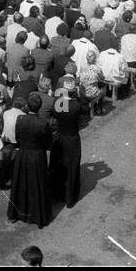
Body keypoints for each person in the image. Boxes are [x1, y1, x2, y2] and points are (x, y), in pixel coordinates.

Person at [7, 92, 53, 228]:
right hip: (37, 156)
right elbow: (48, 142)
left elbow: (18, 137)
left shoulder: (20, 119)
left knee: (21, 183)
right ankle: (37, 216)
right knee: (37, 185)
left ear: (28, 106)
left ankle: (16, 213)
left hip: (23, 154)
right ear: (39, 107)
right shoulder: (43, 123)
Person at [48, 80, 83, 209]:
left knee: (58, 163)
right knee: (72, 165)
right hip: (72, 138)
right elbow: (82, 113)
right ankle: (70, 197)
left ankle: (57, 193)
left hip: (60, 136)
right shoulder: (76, 105)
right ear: (74, 91)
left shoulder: (58, 103)